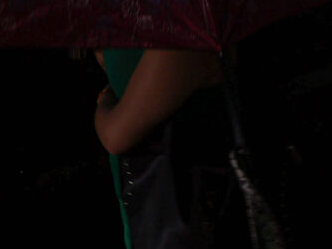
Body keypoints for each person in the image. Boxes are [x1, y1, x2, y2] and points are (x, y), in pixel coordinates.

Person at [94, 48, 250, 249]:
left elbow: (115, 136)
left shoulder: (181, 37)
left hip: (183, 208)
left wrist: (104, 100)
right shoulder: (135, 24)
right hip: (151, 201)